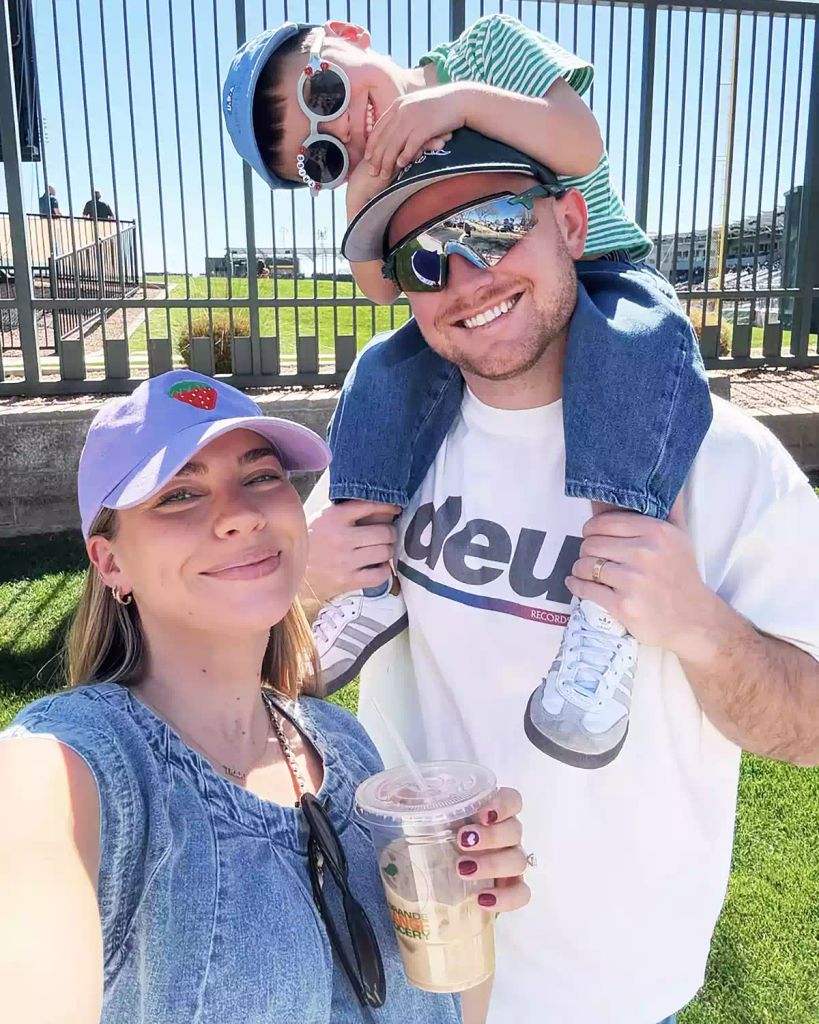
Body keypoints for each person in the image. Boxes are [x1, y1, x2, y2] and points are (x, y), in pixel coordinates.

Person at [299, 134, 819, 1024]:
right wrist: (300, 596)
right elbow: (262, 678)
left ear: (571, 222)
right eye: (423, 260)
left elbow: (808, 730)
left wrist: (697, 624)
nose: (465, 275)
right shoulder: (381, 456)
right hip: (416, 945)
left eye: (496, 226)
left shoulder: (724, 460)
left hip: (611, 983)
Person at [222, 15, 713, 768]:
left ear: (345, 32)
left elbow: (579, 144)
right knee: (385, 366)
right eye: (321, 158)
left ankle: (607, 604)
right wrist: (365, 179)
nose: (345, 129)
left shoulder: (482, 50)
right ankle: (368, 578)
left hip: (600, 271)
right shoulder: (376, 166)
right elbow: (381, 286)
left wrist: (456, 104)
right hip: (469, 299)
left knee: (638, 350)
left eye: (326, 90)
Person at [0, 369, 529, 1024]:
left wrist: (467, 901)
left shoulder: (342, 745)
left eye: (260, 477)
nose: (242, 515)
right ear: (110, 563)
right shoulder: (63, 772)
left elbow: (446, 1009)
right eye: (178, 495)